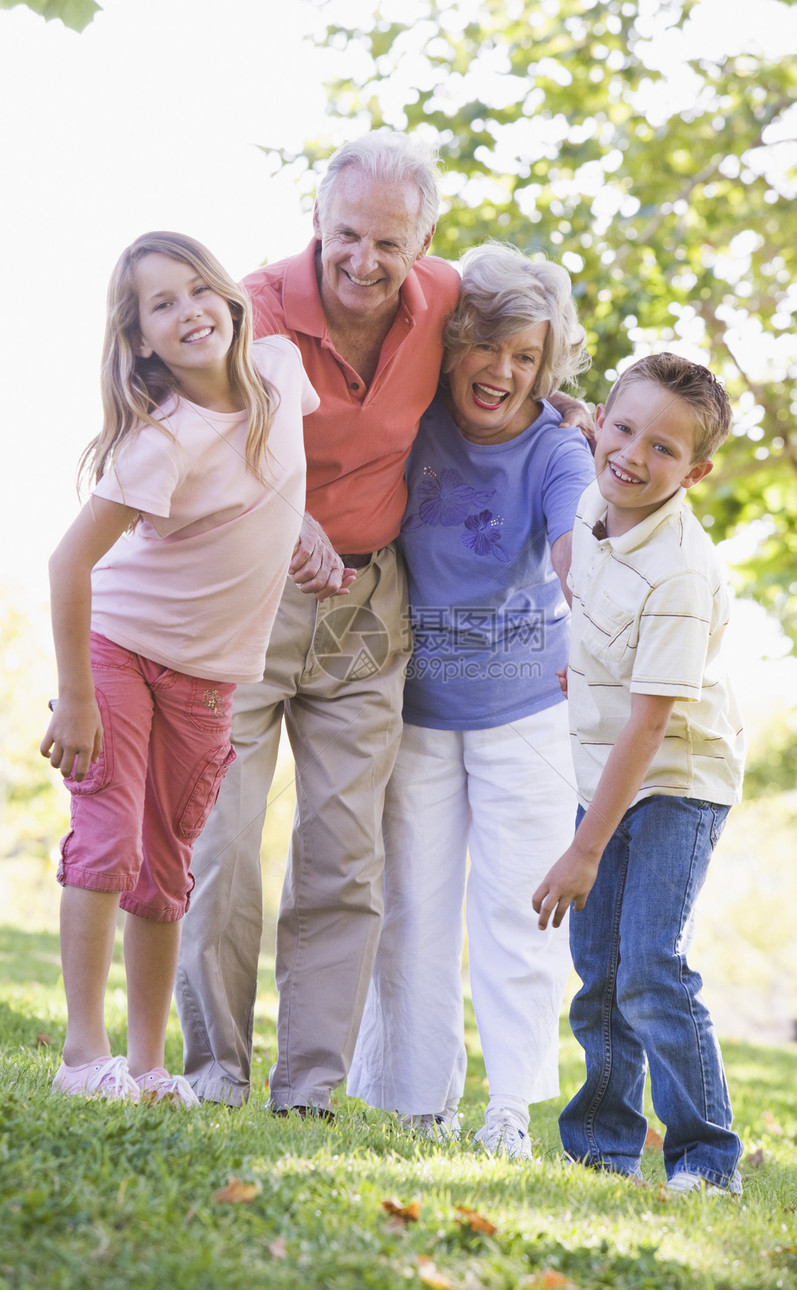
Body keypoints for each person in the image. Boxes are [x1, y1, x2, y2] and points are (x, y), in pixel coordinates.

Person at [173, 131, 463, 1114]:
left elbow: (517, 356)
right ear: (317, 222)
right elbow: (198, 436)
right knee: (218, 841)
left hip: (366, 606)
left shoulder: (445, 305)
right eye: (348, 235)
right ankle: (214, 1071)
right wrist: (280, 506)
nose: (364, 262)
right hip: (246, 593)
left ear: (421, 243)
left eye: (390, 244)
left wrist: (568, 414)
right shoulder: (250, 308)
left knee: (343, 853)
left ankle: (309, 1086)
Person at [40, 231, 312, 1104]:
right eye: (162, 304)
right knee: (110, 842)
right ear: (142, 340)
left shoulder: (279, 372)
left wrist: (299, 527)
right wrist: (76, 699)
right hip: (118, 653)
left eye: (198, 290)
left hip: (207, 675)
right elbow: (67, 563)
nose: (188, 311)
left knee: (165, 863)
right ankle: (85, 1058)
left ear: (229, 299)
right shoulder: (163, 439)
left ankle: (150, 1067)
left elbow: (279, 479)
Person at [347, 243, 595, 1159]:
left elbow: (573, 541)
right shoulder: (413, 422)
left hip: (527, 713)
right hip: (414, 711)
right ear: (452, 344)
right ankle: (420, 1103)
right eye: (487, 345)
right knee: (414, 908)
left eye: (527, 357)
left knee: (516, 914)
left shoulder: (559, 449)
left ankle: (509, 1112)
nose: (503, 370)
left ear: (549, 364)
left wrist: (588, 586)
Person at [533, 353, 745, 1193]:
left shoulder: (682, 573)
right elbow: (588, 421)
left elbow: (652, 726)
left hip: (675, 780)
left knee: (651, 966)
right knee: (599, 970)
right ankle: (601, 1149)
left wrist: (584, 850)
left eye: (663, 448)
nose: (631, 455)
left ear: (695, 472)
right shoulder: (599, 488)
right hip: (606, 761)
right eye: (623, 430)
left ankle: (705, 1160)